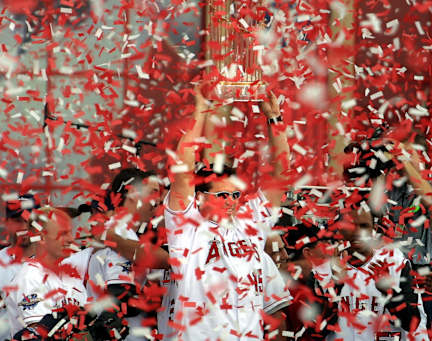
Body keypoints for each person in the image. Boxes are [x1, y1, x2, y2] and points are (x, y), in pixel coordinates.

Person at [163, 86, 292, 340]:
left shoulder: (249, 222)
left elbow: (282, 175)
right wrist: (200, 109)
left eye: (235, 195)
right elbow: (182, 167)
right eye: (222, 195)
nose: (231, 202)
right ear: (200, 197)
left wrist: (274, 119)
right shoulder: (186, 226)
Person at [3, 206, 125, 340]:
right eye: (63, 234)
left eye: (70, 233)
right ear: (42, 238)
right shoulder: (30, 277)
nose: (71, 239)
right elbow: (38, 336)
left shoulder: (69, 274)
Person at [87, 167, 168, 341]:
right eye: (153, 192)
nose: (159, 200)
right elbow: (121, 297)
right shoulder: (120, 232)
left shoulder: (118, 231)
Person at [328, 204, 428, 340]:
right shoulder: (326, 266)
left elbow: (413, 324)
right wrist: (335, 286)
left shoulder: (395, 262)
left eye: (364, 226)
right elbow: (316, 326)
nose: (358, 232)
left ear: (373, 230)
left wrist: (390, 294)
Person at [281, 222, 337, 340]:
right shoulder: (294, 290)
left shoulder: (307, 281)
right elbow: (317, 329)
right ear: (307, 252)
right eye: (323, 245)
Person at [0, 194, 40, 340]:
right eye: (18, 221)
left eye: (29, 220)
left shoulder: (56, 262)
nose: (24, 227)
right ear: (7, 222)